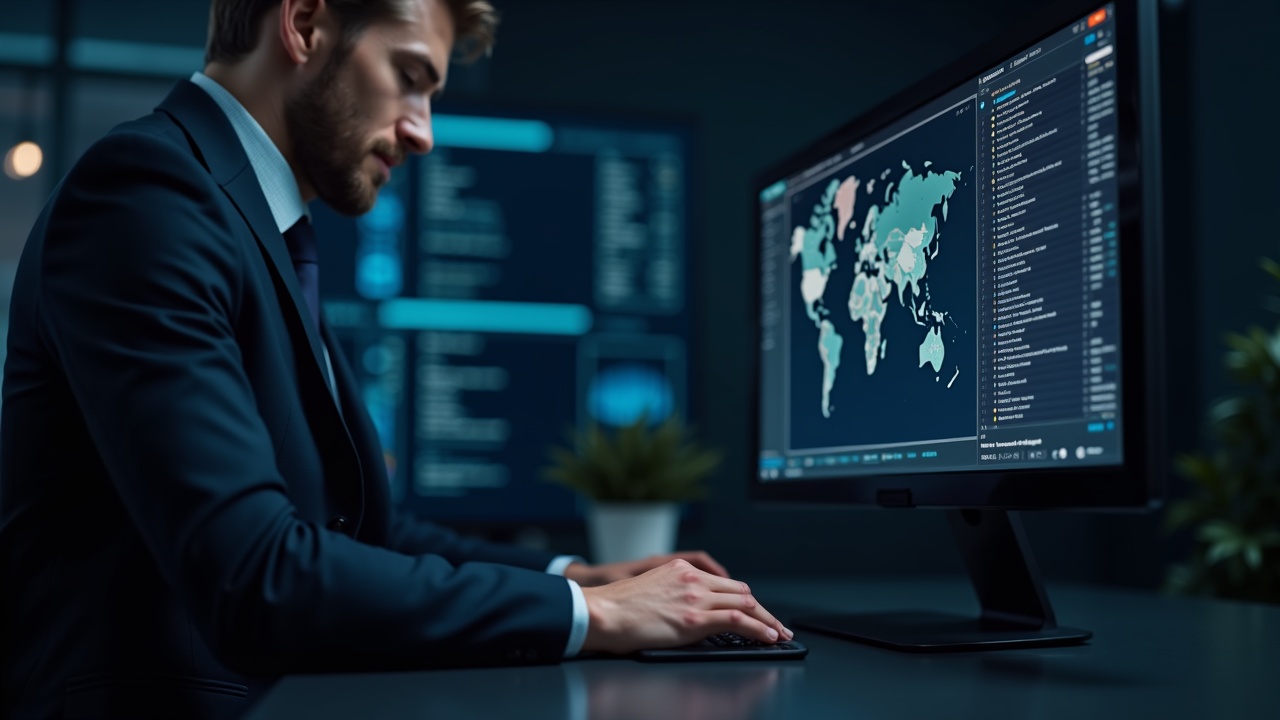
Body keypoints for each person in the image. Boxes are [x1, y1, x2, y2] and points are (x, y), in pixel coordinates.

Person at [0, 0, 791, 717]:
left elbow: (363, 534)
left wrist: (576, 579)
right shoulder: (147, 194)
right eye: (410, 78)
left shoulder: (247, 221)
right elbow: (255, 576)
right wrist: (598, 619)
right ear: (305, 24)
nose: (423, 131)